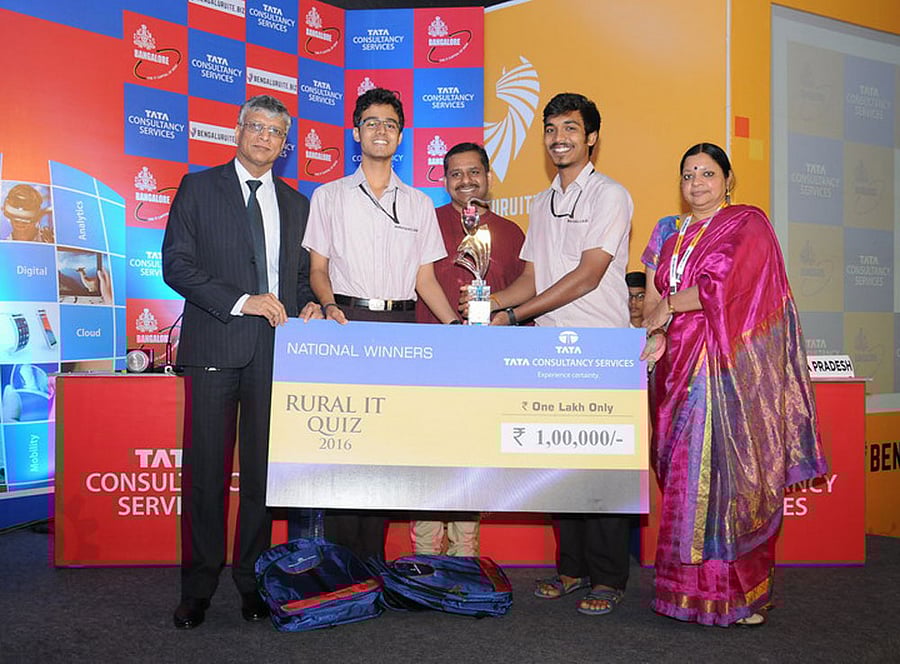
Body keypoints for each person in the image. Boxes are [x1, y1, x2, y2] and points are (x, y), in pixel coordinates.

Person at [639, 142, 828, 627]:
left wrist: (669, 307)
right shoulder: (669, 233)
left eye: (707, 173)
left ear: (728, 179)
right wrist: (656, 330)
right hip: (673, 366)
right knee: (681, 479)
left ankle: (733, 596)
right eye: (688, 174)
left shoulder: (746, 223)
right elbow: (655, 297)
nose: (696, 183)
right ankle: (680, 592)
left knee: (723, 478)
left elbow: (725, 288)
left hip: (721, 369)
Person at [470, 92, 633, 616]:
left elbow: (587, 276)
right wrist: (489, 304)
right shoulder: (541, 203)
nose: (559, 138)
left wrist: (515, 317)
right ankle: (572, 569)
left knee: (602, 464)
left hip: (600, 347)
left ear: (591, 138)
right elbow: (534, 278)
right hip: (550, 348)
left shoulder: (610, 195)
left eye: (570, 128)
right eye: (551, 128)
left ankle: (608, 577)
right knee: (561, 459)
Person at [162, 94, 320, 630]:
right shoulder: (198, 187)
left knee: (262, 477)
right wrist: (241, 300)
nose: (264, 137)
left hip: (275, 354)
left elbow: (298, 280)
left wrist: (312, 303)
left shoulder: (297, 204)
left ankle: (251, 580)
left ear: (285, 144)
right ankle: (198, 587)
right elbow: (176, 265)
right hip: (214, 345)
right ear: (237, 130)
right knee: (206, 474)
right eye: (256, 126)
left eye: (275, 132)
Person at [302, 87, 460, 562]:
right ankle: (339, 564)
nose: (380, 131)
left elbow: (425, 280)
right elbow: (317, 269)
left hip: (401, 327)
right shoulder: (328, 196)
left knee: (386, 447)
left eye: (390, 124)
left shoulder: (418, 203)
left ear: (400, 136)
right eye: (371, 122)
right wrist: (329, 305)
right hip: (346, 323)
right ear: (356, 132)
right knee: (344, 443)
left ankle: (370, 563)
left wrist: (457, 326)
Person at [411, 142, 526, 557]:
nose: (466, 181)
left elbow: (527, 290)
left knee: (471, 457)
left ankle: (465, 557)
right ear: (444, 180)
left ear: (488, 177)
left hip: (484, 367)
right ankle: (426, 556)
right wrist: (454, 326)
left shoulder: (511, 233)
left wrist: (493, 307)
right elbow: (417, 279)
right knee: (428, 457)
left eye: (474, 172)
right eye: (456, 174)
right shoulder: (427, 222)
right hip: (431, 361)